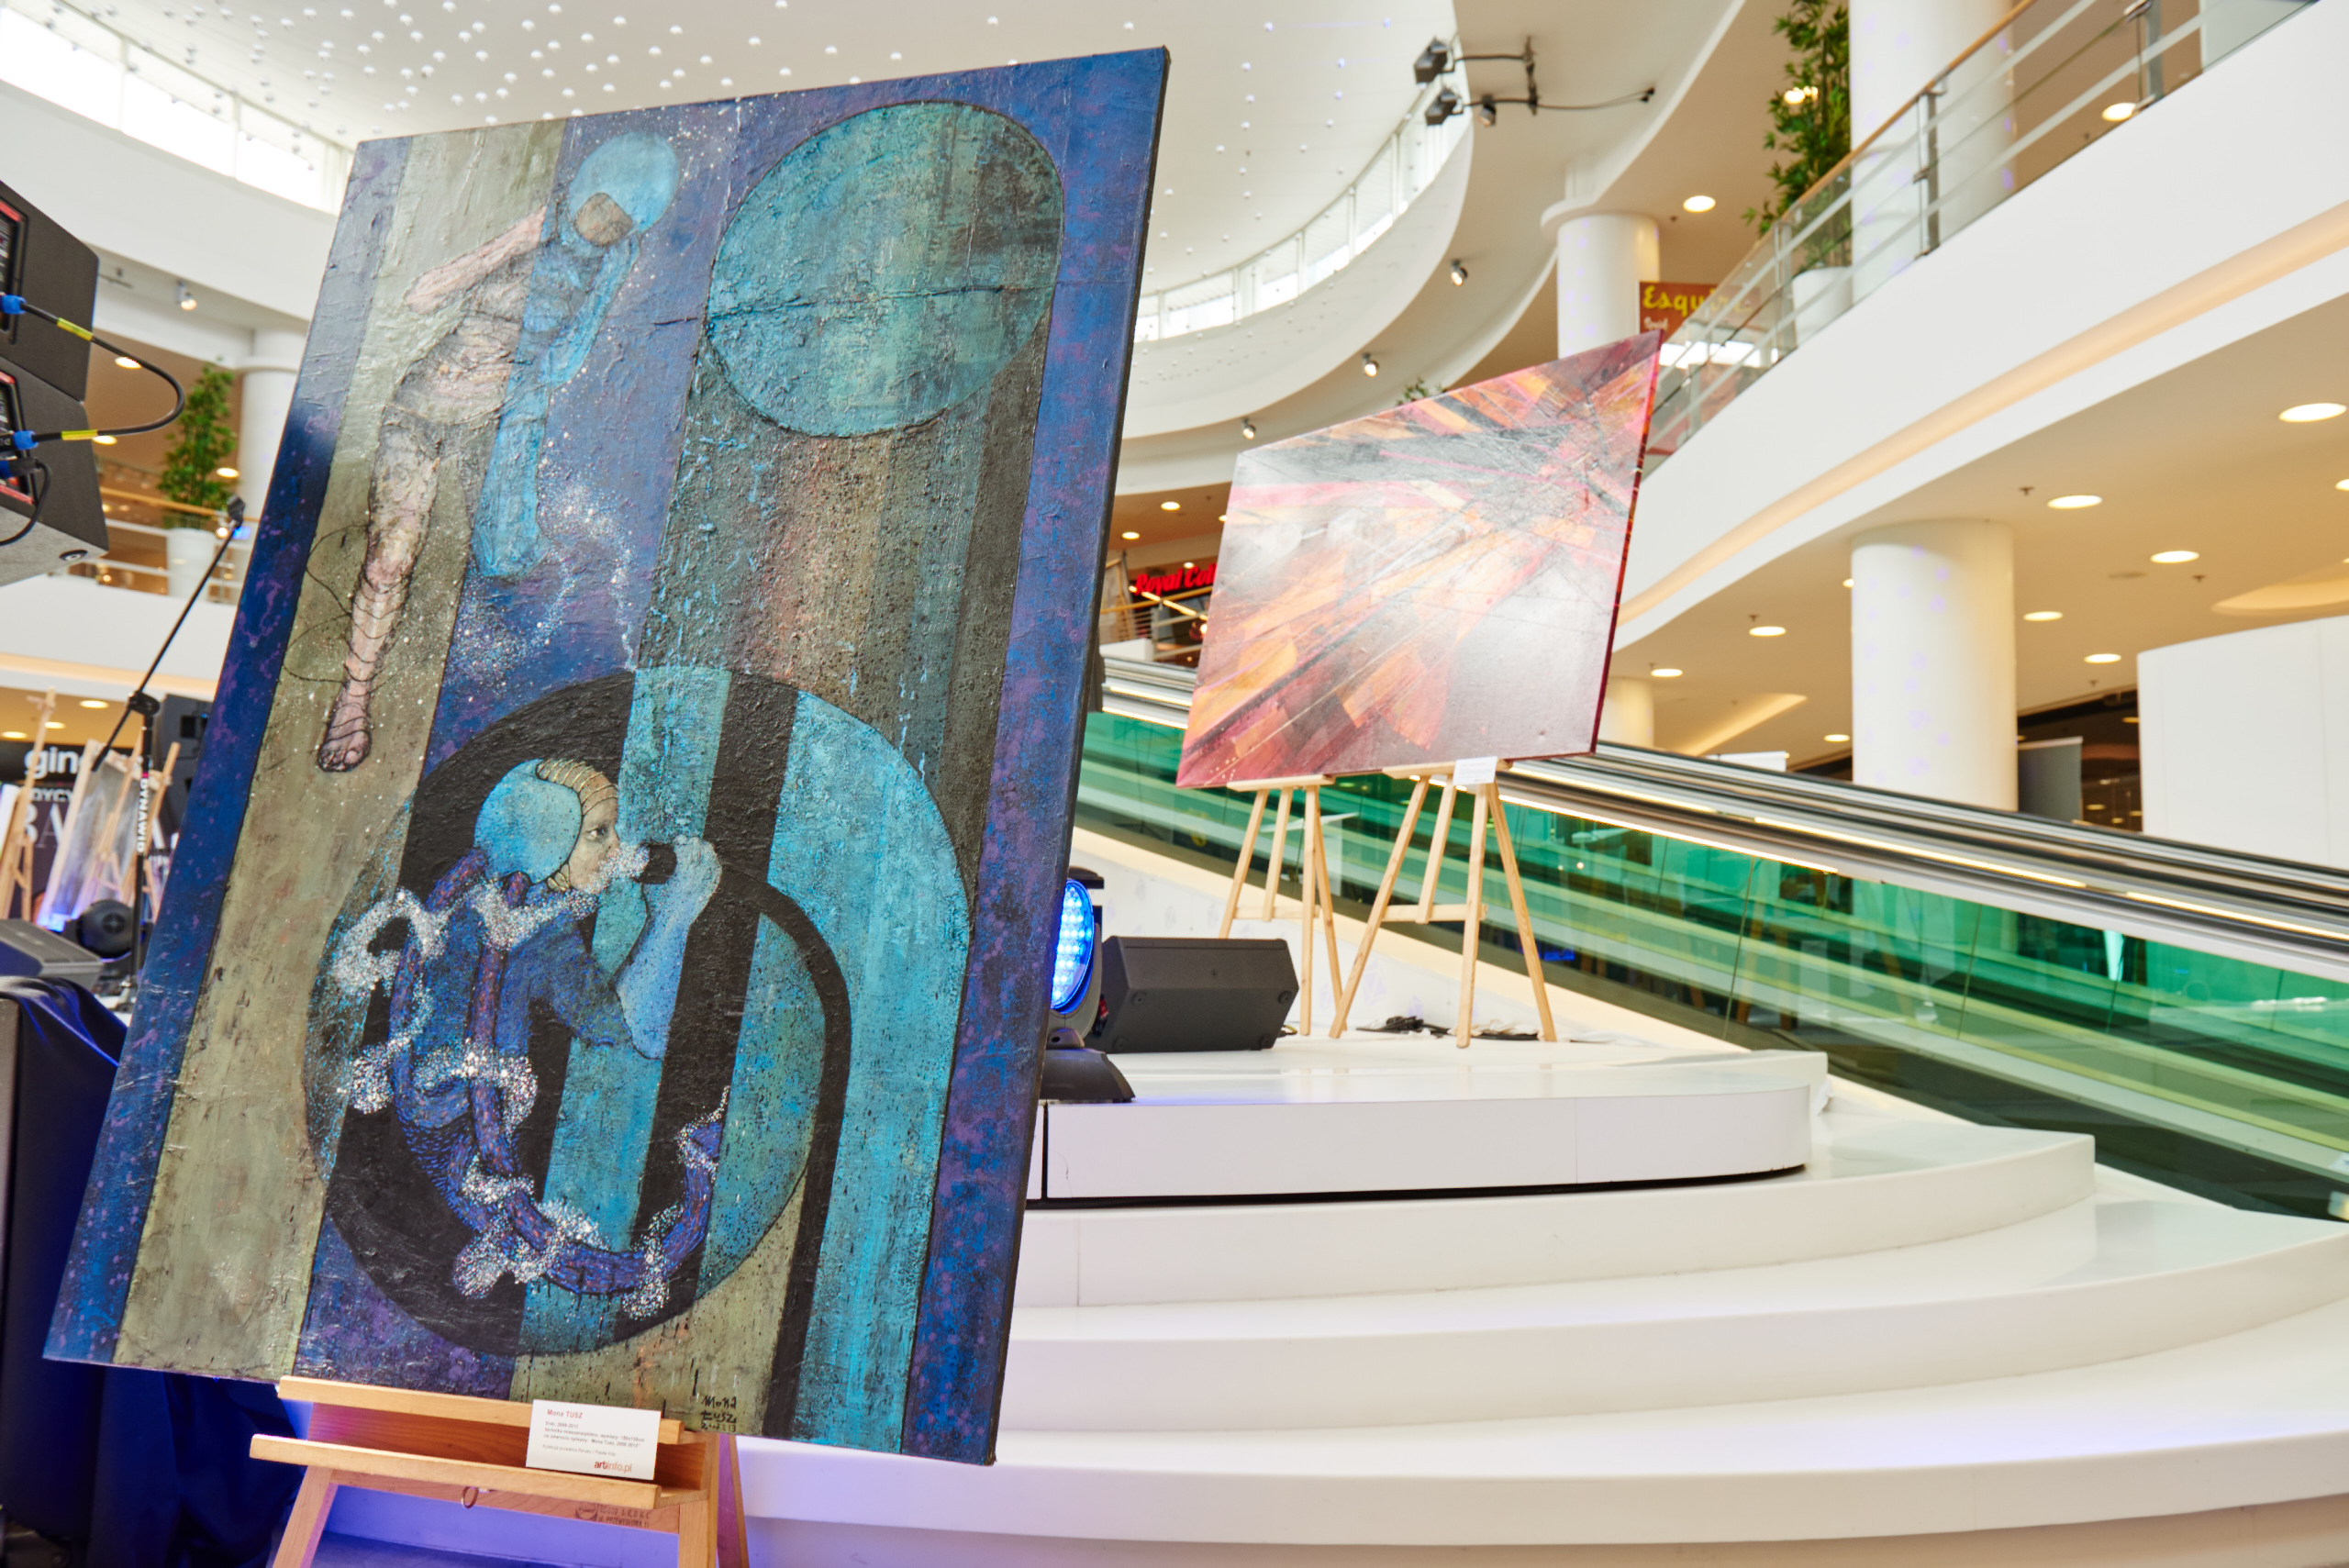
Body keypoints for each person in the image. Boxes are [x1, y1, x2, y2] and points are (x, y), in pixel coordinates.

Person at [317, 133, 681, 773]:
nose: (601, 228)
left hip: (494, 422)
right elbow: (420, 297)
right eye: (600, 207)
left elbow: (566, 358)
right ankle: (354, 697)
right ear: (584, 189)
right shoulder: (534, 229)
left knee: (503, 568)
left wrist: (523, 384)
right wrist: (511, 243)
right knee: (389, 562)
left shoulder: (606, 268)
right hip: (423, 409)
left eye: (621, 223)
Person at [332, 757, 724, 1316]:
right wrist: (672, 919)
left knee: (525, 1231)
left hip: (450, 1121)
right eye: (598, 833)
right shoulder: (531, 931)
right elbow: (630, 1029)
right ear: (549, 836)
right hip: (458, 1125)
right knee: (546, 1242)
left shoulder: (486, 905)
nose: (616, 849)